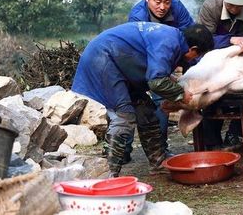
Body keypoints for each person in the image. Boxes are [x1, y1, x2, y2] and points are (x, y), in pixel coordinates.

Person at [72, 22, 214, 177]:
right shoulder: (169, 42)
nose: (195, 59)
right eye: (197, 55)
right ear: (193, 49)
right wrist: (181, 94)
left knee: (145, 110)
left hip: (117, 61)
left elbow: (157, 70)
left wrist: (171, 81)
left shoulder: (173, 38)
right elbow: (156, 82)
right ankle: (108, 175)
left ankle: (158, 162)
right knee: (124, 115)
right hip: (103, 58)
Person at [128, 0, 195, 158]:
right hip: (139, 60)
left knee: (162, 100)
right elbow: (135, 47)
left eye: (167, 2)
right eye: (157, 1)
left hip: (168, 58)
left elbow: (189, 34)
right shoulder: (137, 16)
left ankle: (161, 149)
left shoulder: (178, 7)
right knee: (127, 101)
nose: (162, 7)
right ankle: (124, 150)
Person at [197, 0, 243, 150]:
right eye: (231, 4)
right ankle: (212, 144)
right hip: (209, 59)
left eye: (239, 4)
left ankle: (234, 134)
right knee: (210, 99)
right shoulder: (211, 7)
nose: (235, 8)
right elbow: (204, 40)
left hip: (234, 62)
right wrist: (231, 40)